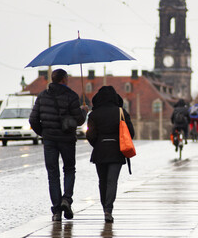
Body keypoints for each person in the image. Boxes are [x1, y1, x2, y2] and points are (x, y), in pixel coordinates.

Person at [29, 69, 88, 221]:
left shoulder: (42, 96)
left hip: (50, 140)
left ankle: (56, 211)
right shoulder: (72, 96)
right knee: (69, 169)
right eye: (67, 78)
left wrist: (44, 133)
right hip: (67, 139)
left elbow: (33, 119)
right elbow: (79, 121)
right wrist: (84, 111)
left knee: (52, 174)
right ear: (63, 80)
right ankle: (66, 199)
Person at [86, 86, 134, 223]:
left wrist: (98, 144)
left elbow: (90, 135)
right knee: (112, 181)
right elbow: (131, 133)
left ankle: (104, 207)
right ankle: (108, 209)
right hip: (117, 151)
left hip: (100, 151)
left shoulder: (93, 115)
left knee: (102, 181)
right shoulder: (121, 112)